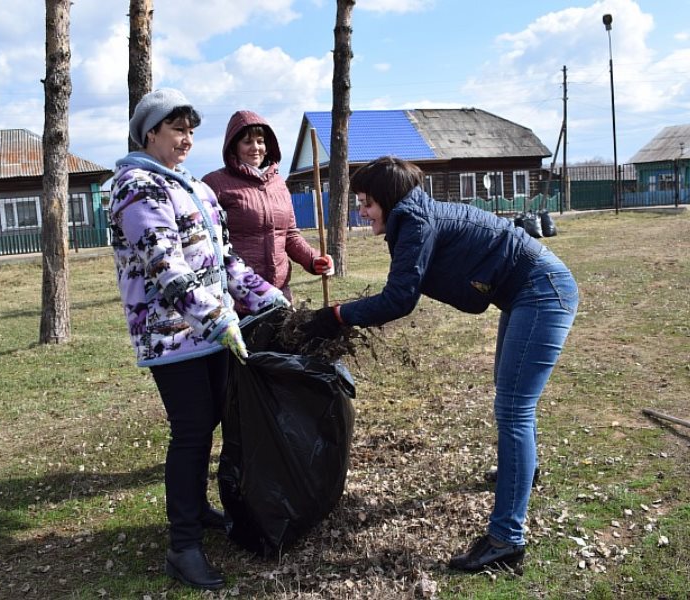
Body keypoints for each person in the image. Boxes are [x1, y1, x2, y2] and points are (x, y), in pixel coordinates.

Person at [299, 156, 579, 572]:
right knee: (512, 400)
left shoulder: (414, 222)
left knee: (514, 408)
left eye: (367, 202)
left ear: (389, 200)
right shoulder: (412, 216)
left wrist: (336, 316)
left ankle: (506, 541)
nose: (361, 211)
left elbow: (399, 299)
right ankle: (522, 473)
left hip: (542, 292)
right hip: (526, 290)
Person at [109, 88, 289, 591]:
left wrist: (264, 296)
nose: (187, 139)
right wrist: (217, 319)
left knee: (212, 420)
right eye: (176, 129)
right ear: (150, 134)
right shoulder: (137, 188)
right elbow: (166, 268)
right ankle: (182, 546)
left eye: (191, 130)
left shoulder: (195, 188)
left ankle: (196, 507)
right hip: (172, 337)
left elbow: (224, 261)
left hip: (211, 331)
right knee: (191, 431)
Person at [202, 110, 332, 311]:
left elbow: (290, 236)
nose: (256, 147)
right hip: (238, 301)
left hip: (279, 295)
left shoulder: (278, 184)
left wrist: (314, 259)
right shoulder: (215, 184)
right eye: (247, 142)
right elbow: (206, 244)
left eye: (260, 141)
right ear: (233, 146)